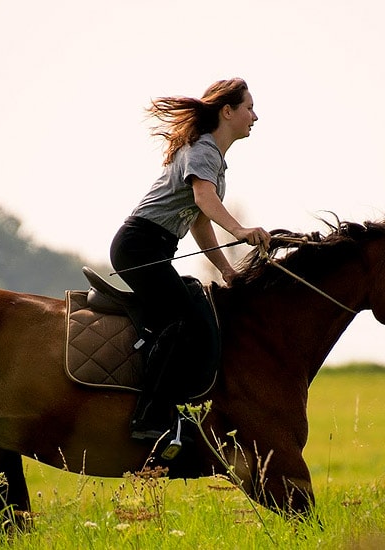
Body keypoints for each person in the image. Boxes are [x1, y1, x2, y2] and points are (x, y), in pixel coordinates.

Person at [110, 78, 270, 441]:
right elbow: (203, 200)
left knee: (192, 305)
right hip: (139, 246)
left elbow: (199, 220)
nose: (255, 116)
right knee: (186, 319)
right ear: (227, 112)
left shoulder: (214, 158)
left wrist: (226, 268)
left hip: (151, 247)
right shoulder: (203, 151)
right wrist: (240, 231)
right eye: (249, 107)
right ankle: (150, 418)